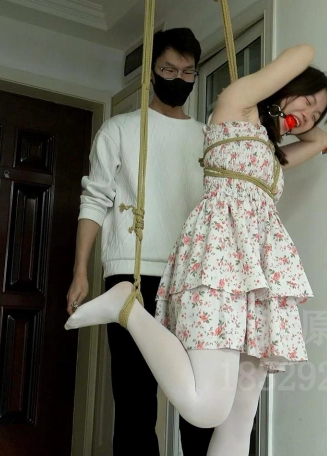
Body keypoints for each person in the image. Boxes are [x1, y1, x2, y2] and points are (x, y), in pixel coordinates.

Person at [65, 42, 327, 455]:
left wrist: (298, 119)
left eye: (317, 112)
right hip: (219, 262)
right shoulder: (236, 106)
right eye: (308, 100)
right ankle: (127, 307)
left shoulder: (268, 148)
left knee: (239, 420)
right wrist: (285, 102)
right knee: (205, 410)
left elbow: (320, 139)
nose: (309, 115)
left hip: (257, 277)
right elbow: (304, 51)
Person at [65, 28, 216, 456]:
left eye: (187, 72)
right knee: (134, 400)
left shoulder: (208, 138)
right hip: (131, 274)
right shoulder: (119, 129)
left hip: (194, 279)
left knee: (200, 402)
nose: (178, 79)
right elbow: (94, 199)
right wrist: (80, 271)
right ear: (151, 71)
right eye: (169, 69)